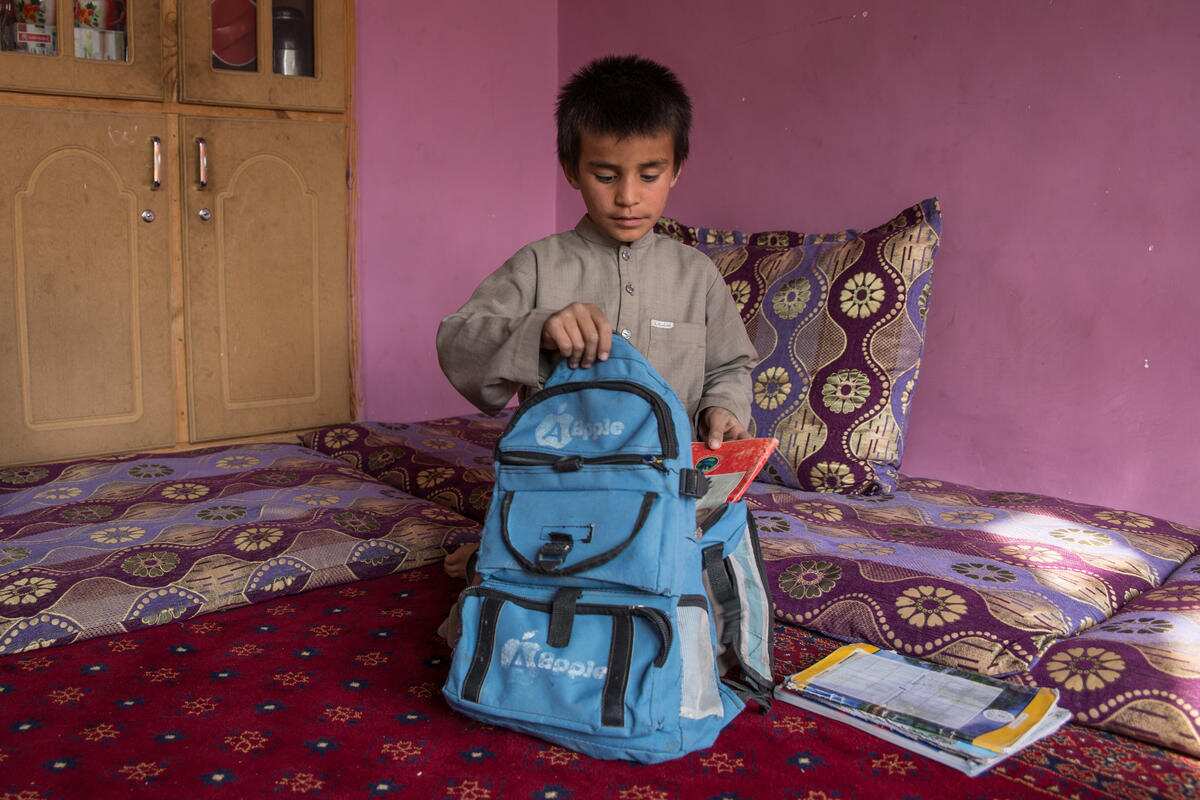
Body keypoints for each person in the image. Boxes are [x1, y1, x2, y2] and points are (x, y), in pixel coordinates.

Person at [436, 55, 756, 581]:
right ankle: (500, 552)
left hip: (669, 491)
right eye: (605, 175)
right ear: (571, 169)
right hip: (563, 487)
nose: (628, 197)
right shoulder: (540, 264)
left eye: (649, 175)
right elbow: (457, 340)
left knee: (705, 598)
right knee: (508, 614)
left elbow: (730, 365)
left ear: (676, 169)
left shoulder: (696, 275)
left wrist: (723, 407)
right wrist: (538, 327)